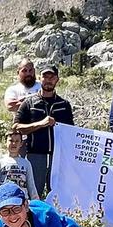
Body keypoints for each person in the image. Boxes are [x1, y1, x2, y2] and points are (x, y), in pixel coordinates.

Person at [13, 63, 74, 197]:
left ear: (57, 79)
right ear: (39, 79)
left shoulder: (64, 105)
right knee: (34, 196)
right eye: (45, 77)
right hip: (35, 156)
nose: (48, 80)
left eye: (51, 77)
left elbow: (71, 133)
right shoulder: (29, 103)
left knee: (58, 196)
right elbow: (16, 127)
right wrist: (40, 124)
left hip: (57, 158)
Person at [0, 130, 40, 201]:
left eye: (17, 141)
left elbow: (31, 185)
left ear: (21, 143)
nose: (14, 143)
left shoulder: (26, 163)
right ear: (6, 142)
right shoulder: (0, 163)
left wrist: (36, 202)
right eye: (11, 141)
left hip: (22, 200)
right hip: (5, 199)